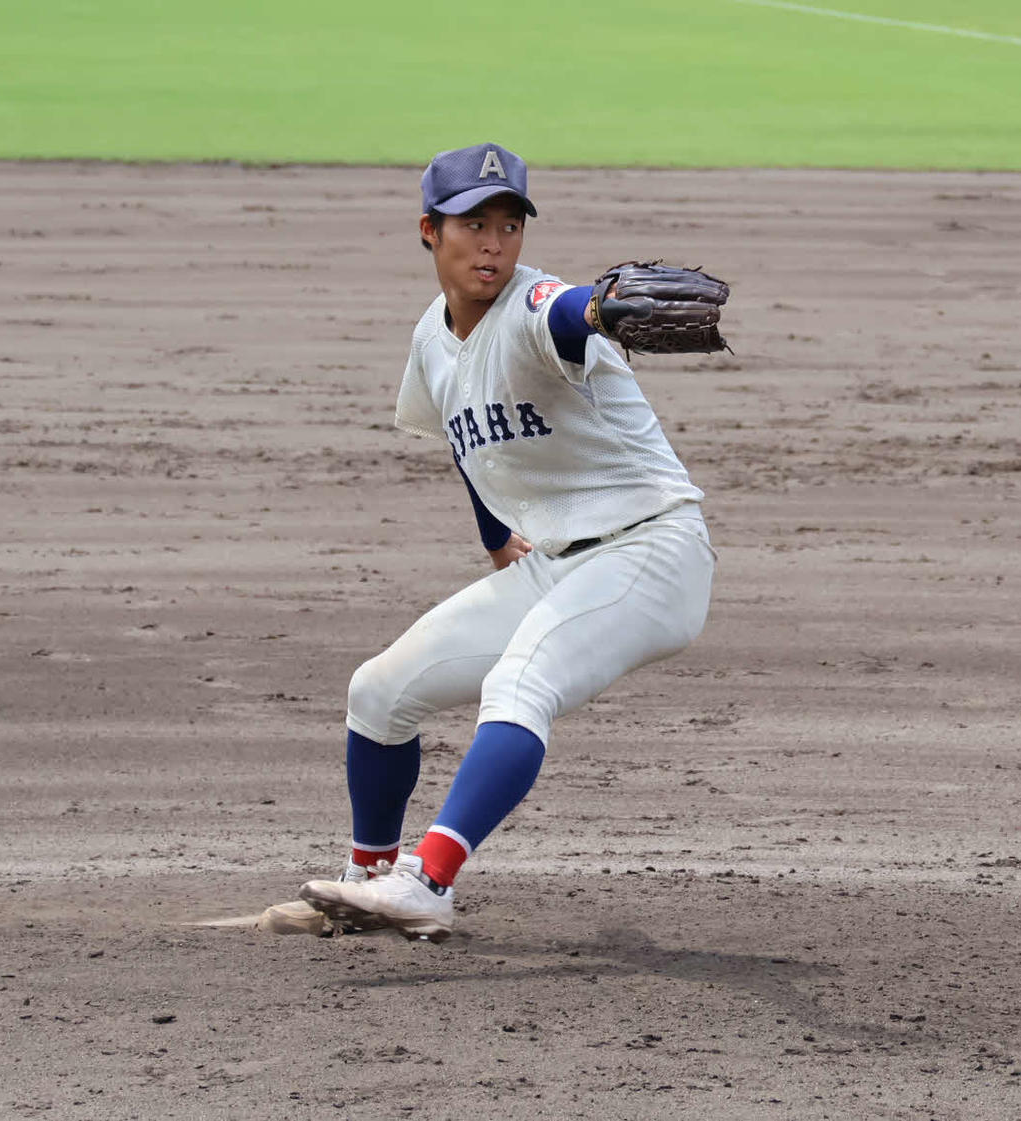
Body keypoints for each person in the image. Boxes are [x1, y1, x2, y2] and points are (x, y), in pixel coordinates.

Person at [269, 142, 717, 942]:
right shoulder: (430, 341)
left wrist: (601, 308)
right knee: (378, 692)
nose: (493, 244)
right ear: (428, 232)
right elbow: (463, 438)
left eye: (508, 224)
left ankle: (429, 882)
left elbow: (568, 312)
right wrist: (495, 541)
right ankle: (366, 881)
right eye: (472, 224)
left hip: (652, 553)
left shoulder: (537, 306)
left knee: (518, 686)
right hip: (557, 564)